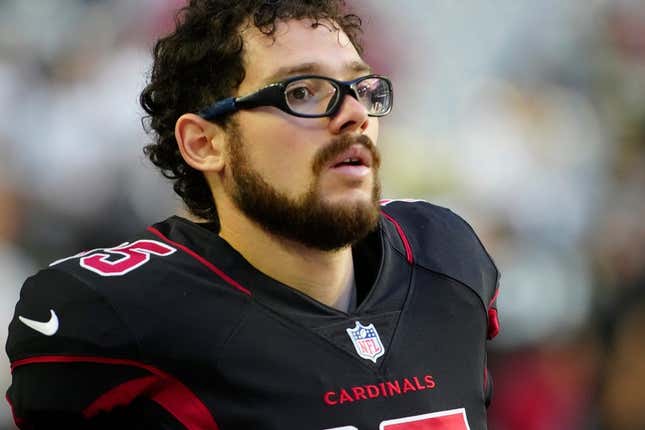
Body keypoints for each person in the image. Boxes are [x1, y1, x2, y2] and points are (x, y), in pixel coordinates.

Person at [5, 1, 500, 429]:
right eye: (302, 92)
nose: (353, 114)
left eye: (362, 87)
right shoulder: (118, 314)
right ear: (205, 143)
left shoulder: (445, 258)